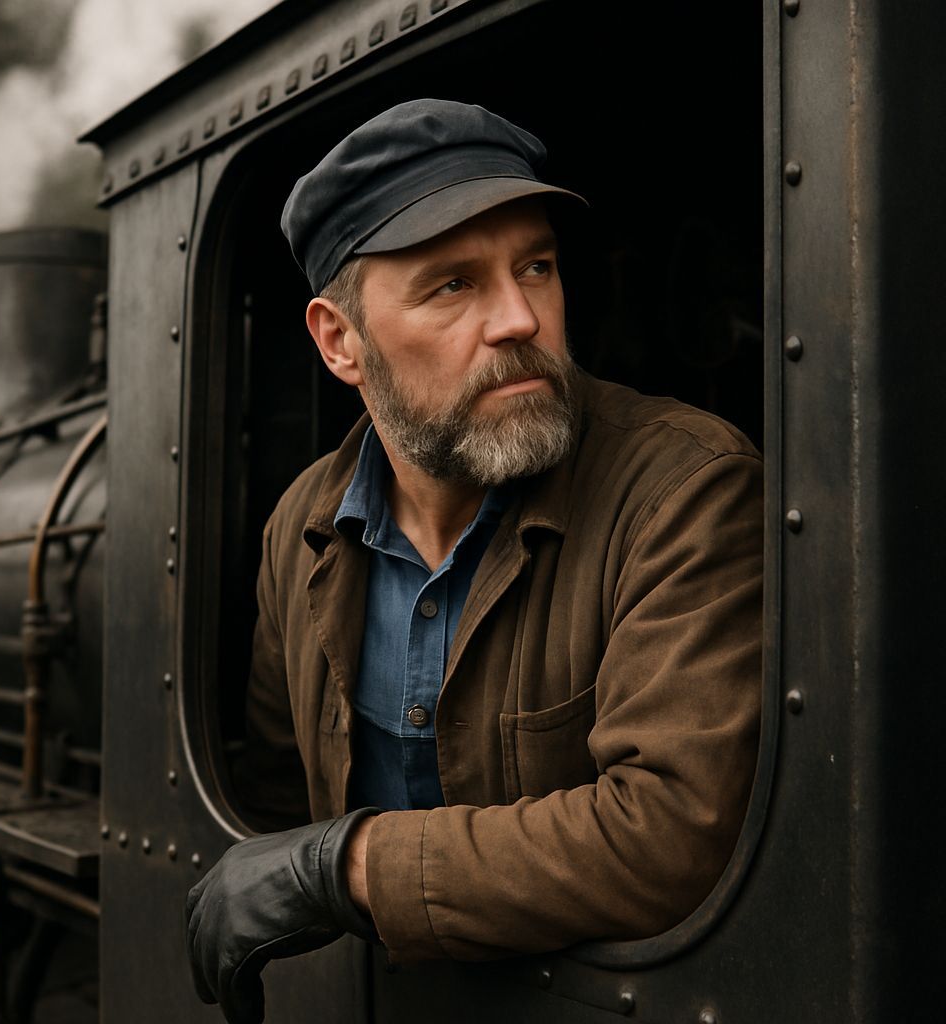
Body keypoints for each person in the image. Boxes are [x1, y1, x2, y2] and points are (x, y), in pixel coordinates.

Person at [186, 98, 762, 1024]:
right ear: (340, 342)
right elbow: (273, 784)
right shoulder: (300, 526)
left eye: (535, 265)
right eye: (451, 285)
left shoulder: (687, 488)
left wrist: (348, 871)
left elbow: (673, 833)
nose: (518, 317)